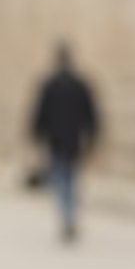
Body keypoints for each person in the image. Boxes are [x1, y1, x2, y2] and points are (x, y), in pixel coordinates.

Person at [30, 43, 99, 243]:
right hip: (74, 141)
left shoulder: (49, 84)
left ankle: (67, 216)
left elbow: (39, 114)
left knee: (61, 180)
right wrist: (93, 137)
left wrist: (36, 136)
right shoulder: (80, 84)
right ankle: (69, 216)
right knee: (70, 179)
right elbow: (91, 115)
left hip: (56, 141)